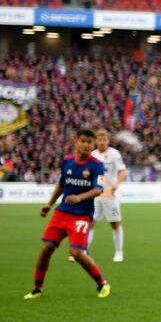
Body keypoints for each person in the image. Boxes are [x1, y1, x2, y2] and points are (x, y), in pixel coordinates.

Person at [26, 129, 111, 300]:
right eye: (83, 141)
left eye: (89, 142)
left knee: (76, 253)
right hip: (61, 213)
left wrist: (79, 197)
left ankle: (102, 283)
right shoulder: (67, 161)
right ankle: (37, 289)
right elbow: (61, 184)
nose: (86, 145)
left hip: (81, 215)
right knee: (46, 248)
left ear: (93, 144)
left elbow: (98, 189)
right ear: (76, 142)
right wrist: (49, 204)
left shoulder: (97, 165)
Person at [87, 129, 127, 263]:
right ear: (96, 141)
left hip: (110, 196)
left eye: (105, 140)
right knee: (90, 223)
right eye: (100, 139)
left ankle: (119, 253)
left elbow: (122, 171)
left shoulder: (114, 154)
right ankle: (84, 251)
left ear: (108, 141)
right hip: (96, 195)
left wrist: (116, 184)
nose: (102, 142)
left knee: (115, 224)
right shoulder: (92, 155)